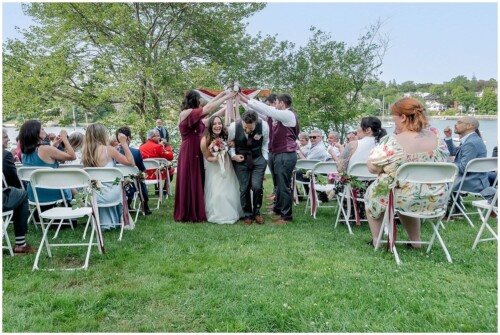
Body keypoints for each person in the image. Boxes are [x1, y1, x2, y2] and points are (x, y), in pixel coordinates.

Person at [365, 97, 450, 248]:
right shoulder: (436, 136)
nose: (393, 120)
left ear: (403, 117)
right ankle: (416, 241)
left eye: (394, 117)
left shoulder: (393, 141)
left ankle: (377, 239)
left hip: (405, 198)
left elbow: (373, 168)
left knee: (375, 192)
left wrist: (384, 168)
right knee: (408, 189)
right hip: (437, 198)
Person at [174, 89, 235, 222]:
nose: (201, 102)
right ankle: (188, 212)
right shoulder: (186, 113)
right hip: (189, 150)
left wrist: (224, 97)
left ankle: (197, 208)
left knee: (197, 178)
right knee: (190, 178)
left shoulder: (195, 117)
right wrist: (227, 96)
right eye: (199, 99)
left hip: (197, 151)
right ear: (194, 100)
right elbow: (208, 108)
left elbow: (210, 116)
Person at [239, 92, 299, 225]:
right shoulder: (277, 117)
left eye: (276, 103)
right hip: (278, 153)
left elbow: (266, 109)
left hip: (286, 154)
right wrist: (242, 100)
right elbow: (258, 113)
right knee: (278, 184)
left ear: (282, 104)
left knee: (284, 186)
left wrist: (247, 99)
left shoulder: (288, 114)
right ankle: (278, 210)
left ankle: (286, 217)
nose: (274, 105)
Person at [82, 123, 135, 230]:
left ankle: (104, 222)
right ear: (102, 135)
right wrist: (124, 143)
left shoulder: (85, 152)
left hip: (93, 195)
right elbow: (131, 162)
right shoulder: (108, 150)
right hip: (111, 194)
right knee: (123, 184)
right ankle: (118, 221)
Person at [19, 120, 75, 205]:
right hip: (53, 194)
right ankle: (89, 211)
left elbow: (42, 159)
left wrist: (54, 146)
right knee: (72, 186)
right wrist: (64, 138)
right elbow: (72, 156)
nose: (44, 130)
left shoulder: (25, 153)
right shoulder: (45, 149)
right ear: (35, 133)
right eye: (42, 129)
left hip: (34, 196)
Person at [228, 110, 269, 225]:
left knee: (257, 187)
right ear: (242, 121)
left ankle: (257, 212)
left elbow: (266, 142)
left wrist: (265, 159)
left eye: (251, 128)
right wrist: (233, 155)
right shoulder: (233, 127)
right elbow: (229, 143)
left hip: (258, 159)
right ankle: (247, 214)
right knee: (244, 187)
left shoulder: (264, 126)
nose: (247, 130)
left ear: (256, 122)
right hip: (240, 160)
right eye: (245, 127)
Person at [200, 115, 243, 224]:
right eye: (214, 124)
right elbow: (207, 157)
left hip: (227, 165)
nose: (217, 126)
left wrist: (232, 143)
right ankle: (219, 214)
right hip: (214, 168)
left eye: (219, 123)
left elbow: (234, 141)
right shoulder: (205, 140)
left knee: (230, 189)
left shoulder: (226, 134)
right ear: (210, 126)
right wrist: (216, 157)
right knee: (218, 191)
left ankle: (233, 211)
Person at [3, 129, 36, 254]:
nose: (8, 140)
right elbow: (14, 180)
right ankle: (20, 243)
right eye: (5, 137)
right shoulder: (4, 155)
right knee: (22, 194)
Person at [443, 116, 488, 193]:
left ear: (469, 126)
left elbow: (463, 168)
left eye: (459, 122)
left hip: (468, 182)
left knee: (434, 178)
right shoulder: (472, 140)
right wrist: (448, 137)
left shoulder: (471, 143)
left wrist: (444, 164)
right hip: (472, 180)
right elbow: (452, 152)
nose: (455, 124)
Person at [116, 126, 152, 215]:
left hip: (117, 181)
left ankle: (127, 204)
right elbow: (142, 169)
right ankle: (145, 206)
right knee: (140, 177)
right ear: (128, 138)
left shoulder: (112, 151)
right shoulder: (135, 152)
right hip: (132, 182)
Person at [263, 94, 279, 205]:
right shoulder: (268, 116)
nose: (267, 107)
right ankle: (275, 194)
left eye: (268, 105)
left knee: (277, 175)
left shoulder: (278, 115)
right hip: (270, 148)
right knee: (274, 175)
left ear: (275, 103)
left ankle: (277, 199)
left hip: (277, 150)